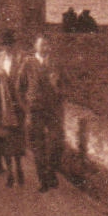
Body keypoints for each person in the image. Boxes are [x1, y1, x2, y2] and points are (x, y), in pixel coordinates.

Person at [19, 34, 64, 191]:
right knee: (38, 146)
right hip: (35, 110)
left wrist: (55, 85)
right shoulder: (28, 63)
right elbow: (20, 87)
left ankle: (51, 173)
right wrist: (26, 108)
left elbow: (63, 88)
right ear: (35, 47)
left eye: (47, 45)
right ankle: (43, 180)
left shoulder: (54, 64)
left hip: (52, 111)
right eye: (42, 45)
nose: (45, 48)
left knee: (57, 142)